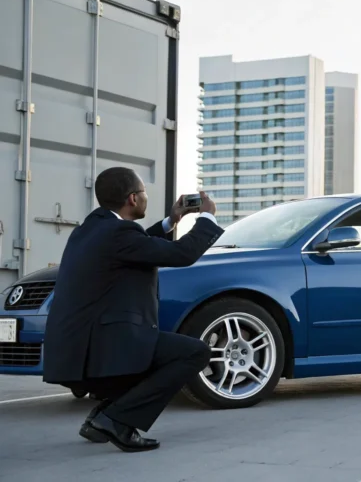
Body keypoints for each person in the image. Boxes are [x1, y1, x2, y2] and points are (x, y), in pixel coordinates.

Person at [42, 167, 224, 452]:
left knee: (158, 349)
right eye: (144, 193)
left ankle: (100, 418)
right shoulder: (119, 234)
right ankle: (117, 421)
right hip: (104, 350)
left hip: (78, 350)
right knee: (194, 352)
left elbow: (139, 247)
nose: (145, 198)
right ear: (133, 199)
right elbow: (182, 254)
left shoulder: (89, 229)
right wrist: (208, 217)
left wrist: (171, 221)